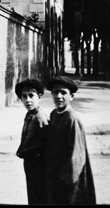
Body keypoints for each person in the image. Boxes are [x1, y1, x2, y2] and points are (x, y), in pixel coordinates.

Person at [44, 75, 97, 204]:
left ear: (71, 96)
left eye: (63, 93)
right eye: (55, 92)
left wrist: (66, 179)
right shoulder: (54, 114)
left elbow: (76, 155)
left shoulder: (71, 119)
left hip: (67, 179)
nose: (59, 96)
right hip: (54, 174)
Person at [14, 79, 49, 204]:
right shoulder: (30, 114)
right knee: (33, 193)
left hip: (38, 164)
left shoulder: (40, 117)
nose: (28, 100)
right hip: (30, 163)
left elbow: (48, 143)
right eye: (24, 96)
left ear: (39, 97)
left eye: (31, 96)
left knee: (39, 195)